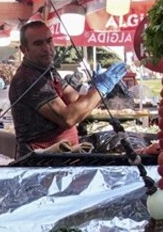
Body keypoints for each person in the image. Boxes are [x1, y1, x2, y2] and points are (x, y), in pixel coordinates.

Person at [8, 21, 107, 152]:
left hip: (63, 156)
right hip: (40, 162)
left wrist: (93, 90)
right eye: (38, 43)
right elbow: (67, 118)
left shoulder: (49, 71)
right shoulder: (27, 78)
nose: (46, 48)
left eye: (49, 41)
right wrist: (101, 89)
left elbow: (76, 100)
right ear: (24, 50)